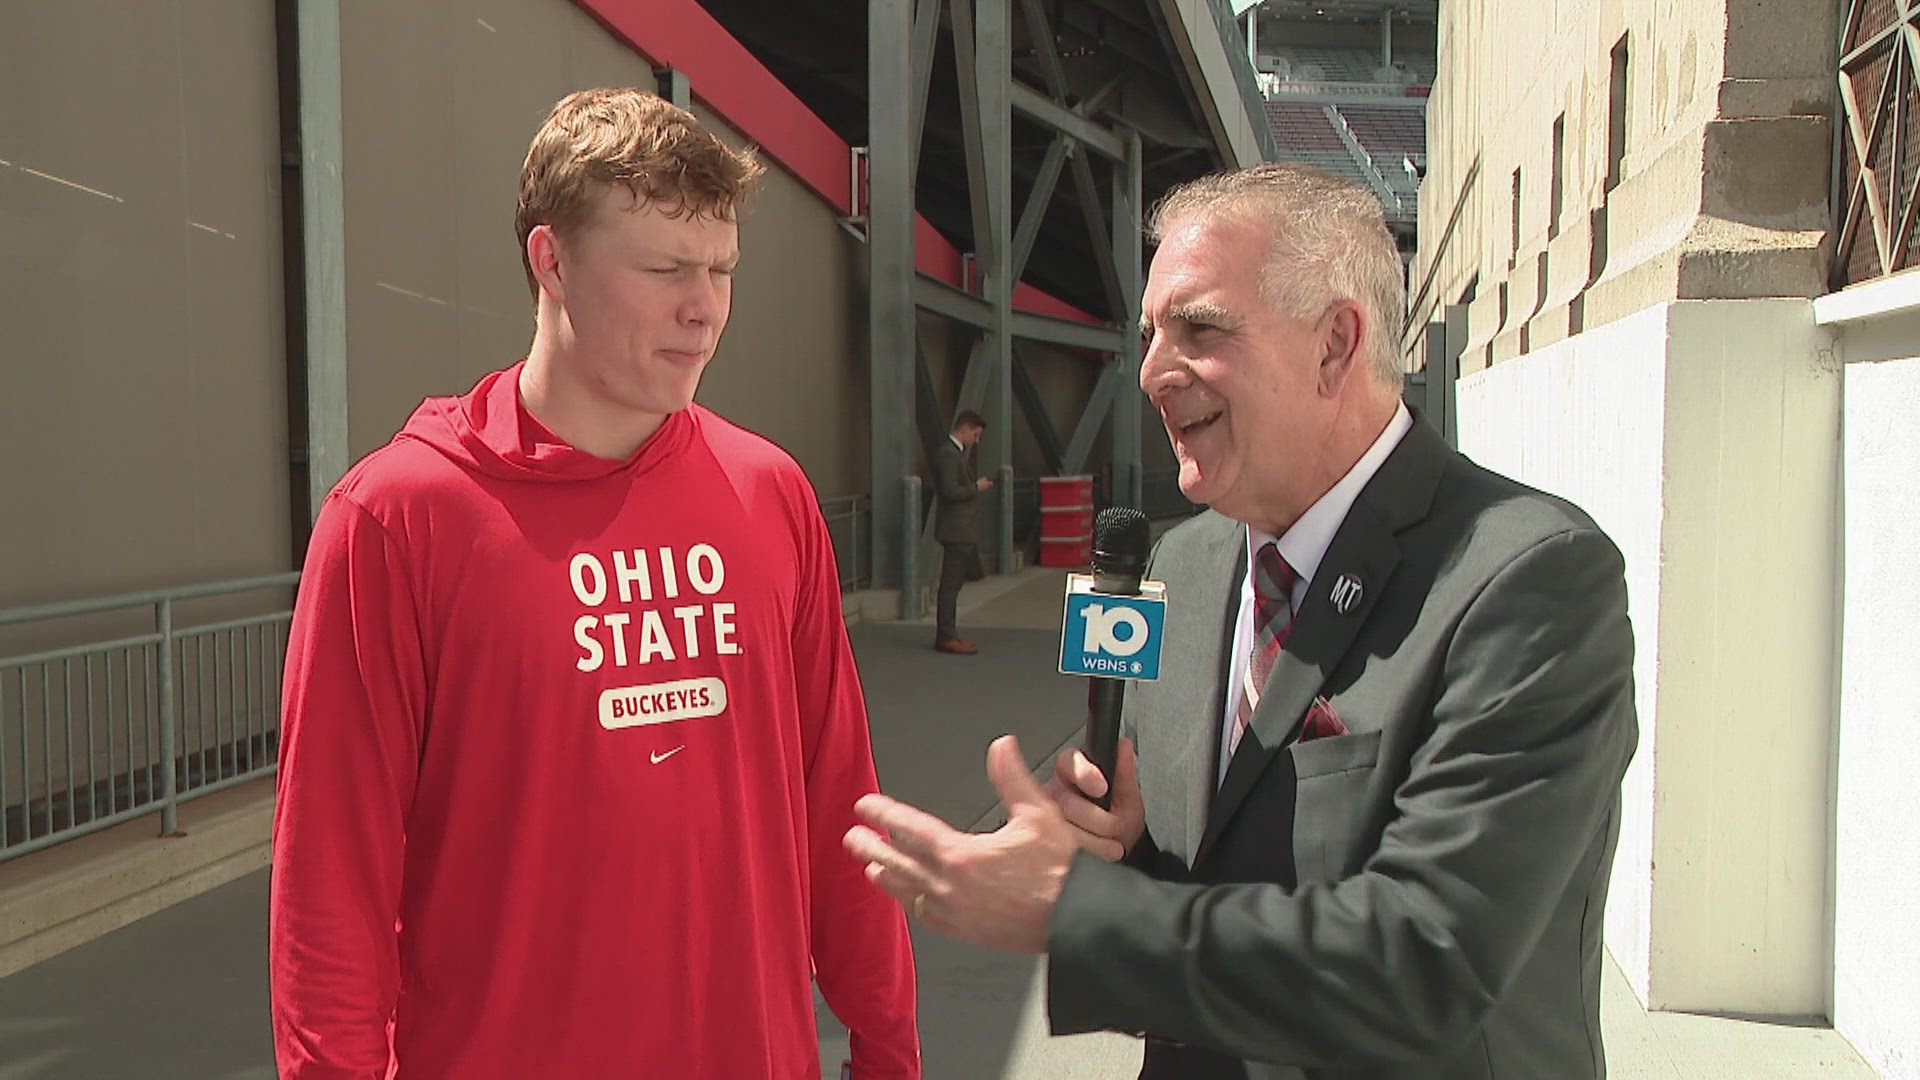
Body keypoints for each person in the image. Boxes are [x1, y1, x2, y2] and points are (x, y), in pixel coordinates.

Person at [843, 162, 1638, 1079]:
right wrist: (1102, 849)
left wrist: (1073, 910)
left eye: (1200, 329)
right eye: (1148, 335)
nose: (1150, 373)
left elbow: (1429, 962)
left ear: (1336, 345)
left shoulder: (1529, 580)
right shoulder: (1180, 565)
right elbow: (1208, 874)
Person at [270, 87, 920, 1080]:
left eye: (721, 270)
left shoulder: (768, 492)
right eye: (664, 270)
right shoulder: (400, 518)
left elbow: (839, 796)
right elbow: (332, 878)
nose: (703, 307)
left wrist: (889, 1047)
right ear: (552, 261)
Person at [931, 410, 993, 654]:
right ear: (965, 429)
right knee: (950, 585)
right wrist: (975, 487)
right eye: (976, 435)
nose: (976, 441)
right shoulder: (948, 455)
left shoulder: (954, 454)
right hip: (956, 530)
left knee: (952, 584)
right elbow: (949, 491)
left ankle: (948, 633)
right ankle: (946, 635)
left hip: (959, 530)